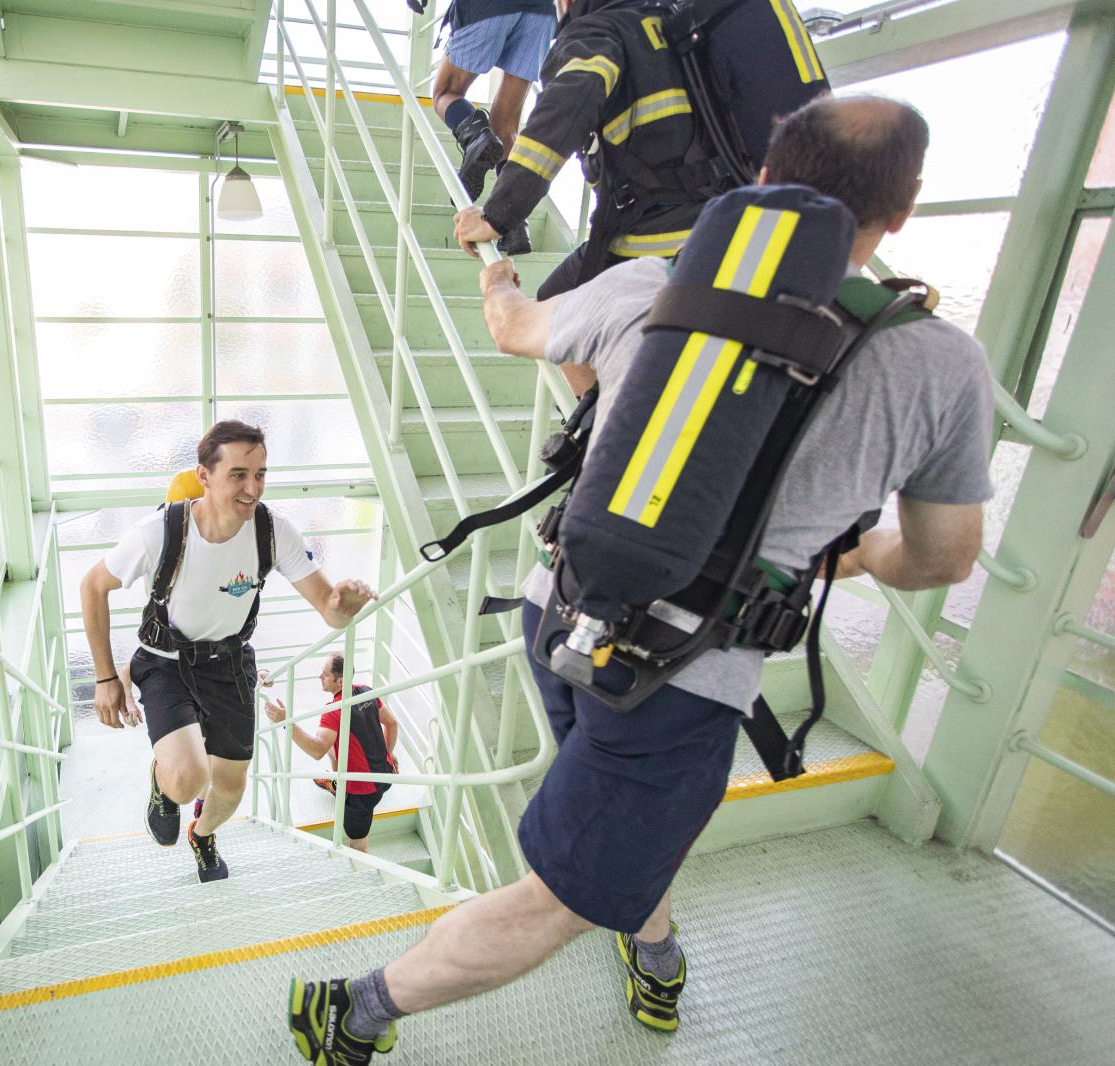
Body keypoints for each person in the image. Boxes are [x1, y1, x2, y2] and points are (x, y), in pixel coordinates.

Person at [285, 94, 993, 1063]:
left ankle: (651, 943)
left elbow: (512, 328)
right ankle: (354, 1009)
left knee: (622, 837)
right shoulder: (941, 365)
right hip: (682, 680)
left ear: (763, 177)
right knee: (565, 895)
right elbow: (945, 557)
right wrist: (860, 553)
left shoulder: (656, 284)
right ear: (901, 209)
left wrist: (495, 271)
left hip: (562, 612)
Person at [80, 421, 377, 883]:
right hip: (166, 662)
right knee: (189, 780)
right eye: (238, 475)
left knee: (231, 790)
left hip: (230, 664)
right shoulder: (159, 532)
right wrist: (104, 678)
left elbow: (329, 610)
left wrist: (344, 609)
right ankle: (164, 782)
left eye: (260, 474)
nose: (252, 488)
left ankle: (202, 835)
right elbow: (92, 586)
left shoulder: (272, 532)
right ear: (204, 475)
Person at [453, 0, 828, 296]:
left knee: (552, 304)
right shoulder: (675, 22)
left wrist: (497, 215)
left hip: (653, 237)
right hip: (726, 218)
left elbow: (559, 118)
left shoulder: (596, 33)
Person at [426, 0, 558, 254]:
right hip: (541, 13)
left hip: (489, 6)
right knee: (506, 124)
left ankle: (476, 137)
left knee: (445, 92)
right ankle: (514, 223)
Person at [263, 652, 399, 853]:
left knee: (357, 845)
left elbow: (316, 750)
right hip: (386, 772)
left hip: (362, 793)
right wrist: (388, 752)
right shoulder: (366, 691)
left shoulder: (334, 711)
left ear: (340, 681)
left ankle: (342, 789)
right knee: (333, 745)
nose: (320, 676)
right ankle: (337, 782)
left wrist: (287, 722)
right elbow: (392, 723)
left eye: (325, 674)